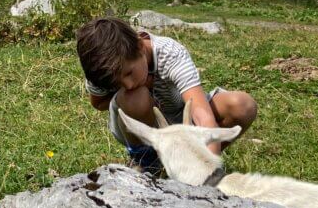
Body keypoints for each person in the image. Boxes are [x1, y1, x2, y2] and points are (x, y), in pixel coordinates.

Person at [75, 17, 258, 174]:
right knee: (134, 97)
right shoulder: (101, 68)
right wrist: (124, 93)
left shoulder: (170, 54)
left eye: (129, 73)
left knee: (242, 105)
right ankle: (147, 163)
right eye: (117, 83)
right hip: (141, 130)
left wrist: (209, 174)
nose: (128, 84)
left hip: (180, 119)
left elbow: (203, 116)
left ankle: (195, 161)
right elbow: (98, 103)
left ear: (139, 45)